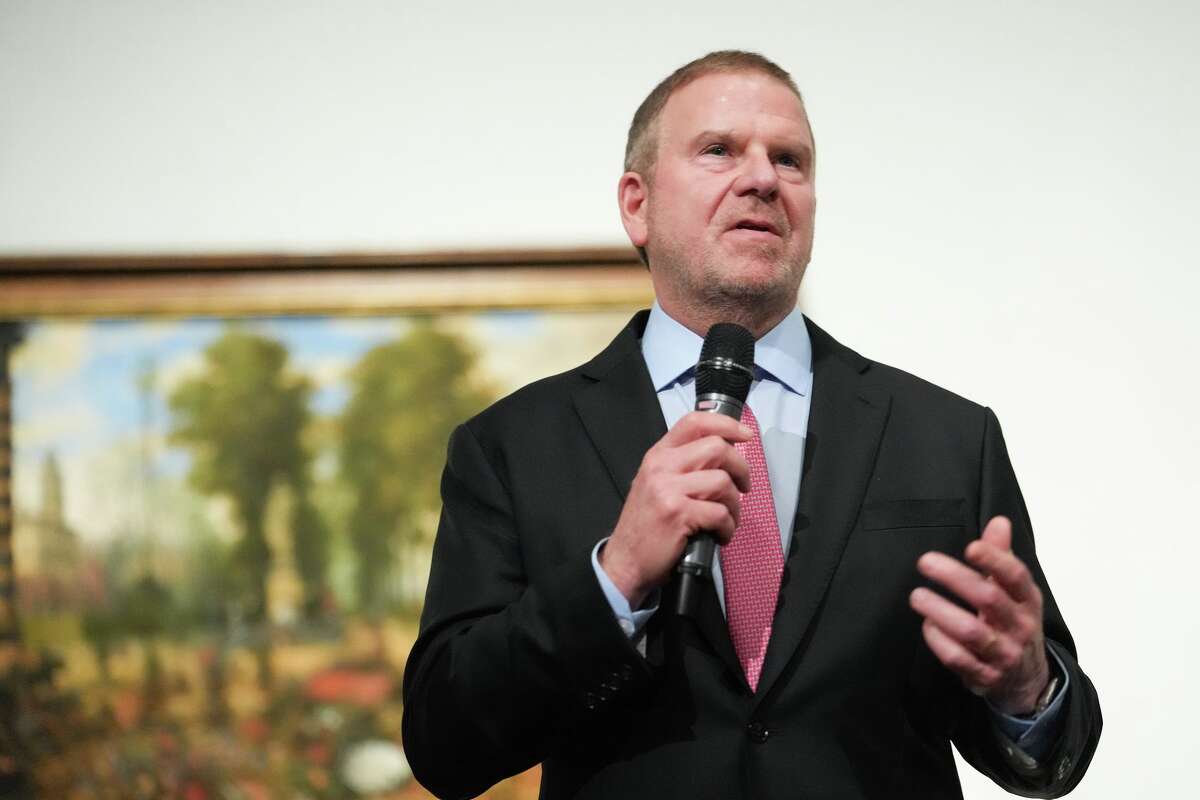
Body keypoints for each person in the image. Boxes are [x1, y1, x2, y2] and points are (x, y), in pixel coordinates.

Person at [401, 51, 1101, 799]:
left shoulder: (947, 437)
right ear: (637, 204)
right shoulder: (512, 446)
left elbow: (1051, 750)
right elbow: (447, 744)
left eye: (791, 161)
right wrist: (617, 576)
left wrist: (1028, 689)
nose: (764, 179)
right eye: (719, 150)